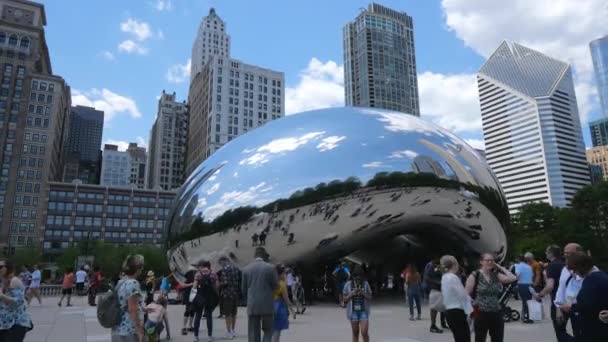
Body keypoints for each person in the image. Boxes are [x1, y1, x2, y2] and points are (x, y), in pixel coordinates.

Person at [465, 253, 517, 342]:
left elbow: (513, 278)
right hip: (481, 312)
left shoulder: (495, 275)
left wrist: (499, 267)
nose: (490, 262)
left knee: (498, 339)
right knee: (480, 339)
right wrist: (472, 307)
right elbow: (466, 294)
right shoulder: (475, 275)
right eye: (487, 260)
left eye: (492, 260)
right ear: (481, 262)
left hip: (496, 312)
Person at [558, 252, 608, 342]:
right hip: (598, 326)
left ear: (580, 267)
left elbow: (586, 304)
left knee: (562, 334)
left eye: (574, 270)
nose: (574, 273)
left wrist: (570, 308)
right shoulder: (600, 276)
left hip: (595, 329)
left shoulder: (593, 280)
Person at [554, 243, 598, 340]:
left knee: (582, 334)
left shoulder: (593, 273)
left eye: (569, 253)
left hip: (582, 310)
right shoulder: (565, 269)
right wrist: (558, 307)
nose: (566, 256)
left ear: (579, 254)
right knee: (560, 331)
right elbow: (561, 288)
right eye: (565, 253)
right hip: (567, 307)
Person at [241, 247, 279, 342]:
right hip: (267, 304)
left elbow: (243, 289)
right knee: (268, 331)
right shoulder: (271, 268)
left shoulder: (246, 269)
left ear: (255, 256)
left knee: (253, 332)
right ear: (264, 256)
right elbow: (276, 286)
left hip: (253, 304)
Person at [534, 245, 567, 341]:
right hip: (567, 301)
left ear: (551, 254)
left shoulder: (552, 265)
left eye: (546, 252)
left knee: (560, 331)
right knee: (564, 329)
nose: (545, 253)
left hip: (557, 301)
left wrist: (539, 295)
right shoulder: (563, 264)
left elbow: (550, 286)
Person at [111, 254, 145, 342]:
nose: (142, 269)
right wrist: (139, 330)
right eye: (142, 267)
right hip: (129, 330)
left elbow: (123, 303)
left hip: (116, 329)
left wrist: (143, 308)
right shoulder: (133, 283)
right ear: (138, 269)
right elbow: (132, 309)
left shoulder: (120, 282)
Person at [441, 255, 472, 342]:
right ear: (454, 265)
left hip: (449, 311)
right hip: (457, 311)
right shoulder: (453, 277)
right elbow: (462, 295)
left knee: (458, 337)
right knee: (464, 337)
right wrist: (471, 304)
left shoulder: (444, 277)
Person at [0, 259, 33, 341]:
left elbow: (18, 302)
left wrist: (1, 296)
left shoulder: (14, 281)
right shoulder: (2, 282)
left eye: (0, 267)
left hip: (16, 323)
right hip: (4, 324)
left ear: (8, 268)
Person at [191, 260, 219, 342]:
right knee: (209, 317)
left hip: (200, 297)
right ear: (209, 266)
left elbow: (194, 286)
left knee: (198, 317)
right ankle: (209, 336)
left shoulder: (198, 274)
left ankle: (196, 336)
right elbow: (217, 286)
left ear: (202, 266)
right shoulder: (213, 274)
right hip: (209, 298)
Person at [343, 266, 372, 342]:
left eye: (360, 277)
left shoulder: (365, 284)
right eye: (356, 277)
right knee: (355, 333)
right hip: (353, 312)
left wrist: (363, 293)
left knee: (364, 332)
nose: (358, 279)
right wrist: (351, 294)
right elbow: (344, 299)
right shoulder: (348, 285)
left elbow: (370, 297)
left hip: (364, 311)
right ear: (353, 276)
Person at [218, 256, 241, 339]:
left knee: (228, 314)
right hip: (235, 293)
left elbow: (225, 282)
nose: (221, 265)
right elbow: (238, 280)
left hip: (227, 294)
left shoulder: (225, 270)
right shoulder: (236, 268)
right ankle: (233, 330)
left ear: (224, 261)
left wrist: (219, 284)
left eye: (221, 263)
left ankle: (229, 332)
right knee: (234, 313)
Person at [271, 265, 296, 342]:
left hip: (269, 306)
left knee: (270, 331)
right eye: (284, 273)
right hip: (278, 308)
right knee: (277, 331)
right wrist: (292, 311)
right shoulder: (282, 284)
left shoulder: (270, 282)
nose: (285, 275)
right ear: (281, 274)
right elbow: (286, 299)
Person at [425, 258, 448, 333]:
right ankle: (433, 326)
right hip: (435, 289)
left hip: (440, 289)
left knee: (442, 307)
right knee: (434, 308)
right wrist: (439, 282)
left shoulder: (438, 265)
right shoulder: (430, 265)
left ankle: (442, 323)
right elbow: (427, 277)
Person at [513, 255, 534, 323]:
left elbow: (518, 275)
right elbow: (532, 275)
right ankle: (528, 316)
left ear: (518, 259)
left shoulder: (518, 266)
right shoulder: (529, 266)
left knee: (524, 301)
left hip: (522, 285)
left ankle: (526, 317)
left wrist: (515, 282)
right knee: (528, 301)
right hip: (529, 284)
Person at [181, 267, 197, 335]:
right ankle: (184, 327)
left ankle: (190, 326)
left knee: (193, 310)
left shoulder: (197, 273)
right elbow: (182, 284)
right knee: (187, 310)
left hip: (194, 293)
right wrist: (191, 284)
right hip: (188, 293)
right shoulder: (187, 273)